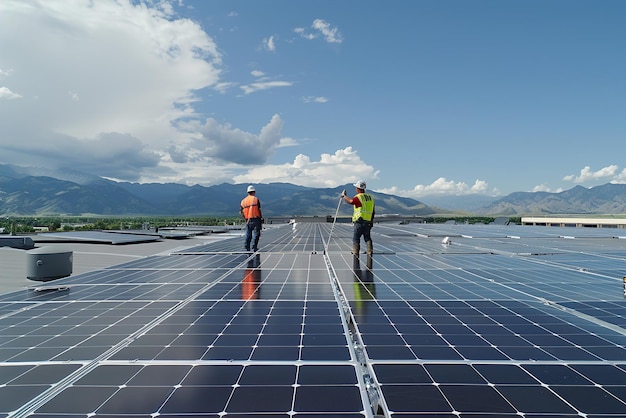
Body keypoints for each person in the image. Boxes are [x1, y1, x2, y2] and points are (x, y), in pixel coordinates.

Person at [341, 180, 375, 257]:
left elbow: (351, 201)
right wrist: (371, 221)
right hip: (368, 222)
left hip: (359, 221)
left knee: (356, 238)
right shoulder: (370, 198)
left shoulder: (359, 197)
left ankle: (356, 252)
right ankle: (370, 251)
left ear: (358, 188)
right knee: (367, 238)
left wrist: (344, 196)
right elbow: (373, 211)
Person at [240, 185, 263, 252]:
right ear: (254, 192)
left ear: (248, 192)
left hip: (248, 220)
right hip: (256, 219)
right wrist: (261, 218)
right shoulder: (255, 199)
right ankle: (254, 247)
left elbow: (241, 212)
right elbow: (259, 209)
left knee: (248, 234)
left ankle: (247, 246)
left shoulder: (243, 201)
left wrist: (245, 219)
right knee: (256, 234)